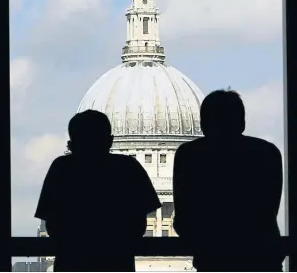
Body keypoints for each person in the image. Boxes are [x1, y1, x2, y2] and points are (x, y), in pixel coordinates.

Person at [35, 110, 162, 272]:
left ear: (72, 144)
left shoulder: (61, 169)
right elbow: (138, 227)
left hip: (71, 262)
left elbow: (51, 225)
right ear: (109, 141)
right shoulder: (129, 168)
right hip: (117, 262)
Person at [173, 89, 284, 272]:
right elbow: (269, 209)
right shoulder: (268, 153)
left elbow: (184, 218)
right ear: (242, 122)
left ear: (203, 123)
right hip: (263, 256)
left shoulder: (189, 155)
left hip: (212, 258)